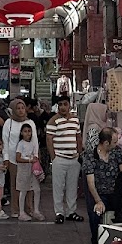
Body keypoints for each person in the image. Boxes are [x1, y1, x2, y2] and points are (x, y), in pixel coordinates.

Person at [83, 127, 122, 244]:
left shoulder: (117, 153)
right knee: (95, 213)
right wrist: (98, 201)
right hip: (99, 193)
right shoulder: (90, 156)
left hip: (116, 193)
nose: (116, 144)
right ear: (106, 143)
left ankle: (119, 242)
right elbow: (91, 183)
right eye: (114, 142)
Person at [46, 94, 83, 224]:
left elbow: (78, 137)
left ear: (69, 105)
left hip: (74, 159)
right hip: (60, 159)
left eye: (65, 104)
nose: (63, 107)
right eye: (60, 104)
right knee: (58, 187)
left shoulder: (75, 120)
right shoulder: (53, 121)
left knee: (72, 187)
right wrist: (54, 158)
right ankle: (59, 213)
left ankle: (71, 211)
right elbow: (49, 140)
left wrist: (79, 153)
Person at [2, 98, 38, 220]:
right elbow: (5, 141)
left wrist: (36, 156)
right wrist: (6, 158)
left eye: (23, 108)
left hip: (28, 160)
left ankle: (29, 208)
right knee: (15, 186)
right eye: (18, 108)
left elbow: (35, 141)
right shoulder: (8, 123)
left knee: (29, 186)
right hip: (14, 160)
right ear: (13, 110)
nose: (21, 110)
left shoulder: (30, 122)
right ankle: (15, 209)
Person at [15, 123, 44, 222]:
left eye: (29, 131)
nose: (27, 133)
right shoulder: (20, 144)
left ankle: (36, 210)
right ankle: (21, 212)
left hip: (32, 169)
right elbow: (18, 158)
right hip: (23, 169)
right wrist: (28, 160)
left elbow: (35, 155)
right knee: (23, 190)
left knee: (36, 189)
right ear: (21, 133)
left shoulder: (32, 144)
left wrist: (35, 159)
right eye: (25, 131)